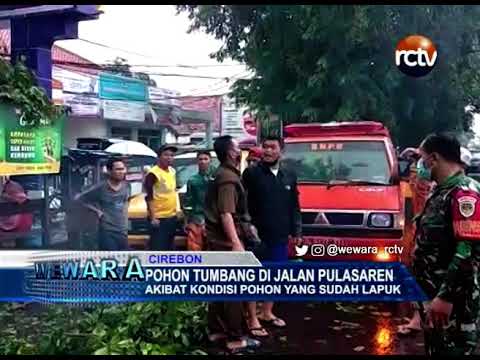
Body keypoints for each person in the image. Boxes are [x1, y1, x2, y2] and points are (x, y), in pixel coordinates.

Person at [412, 134, 480, 355]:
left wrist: (445, 296)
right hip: (433, 297)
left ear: (433, 159)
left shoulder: (464, 193)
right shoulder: (440, 191)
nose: (418, 165)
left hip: (453, 303)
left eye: (421, 159)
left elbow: (466, 251)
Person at [204, 135, 261, 354]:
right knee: (234, 290)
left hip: (218, 241)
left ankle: (216, 330)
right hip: (226, 243)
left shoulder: (222, 174)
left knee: (218, 287)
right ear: (230, 153)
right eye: (237, 147)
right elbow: (226, 213)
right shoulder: (228, 178)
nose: (240, 150)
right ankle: (236, 338)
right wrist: (236, 243)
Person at [242, 136, 302, 337]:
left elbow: (294, 206)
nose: (267, 151)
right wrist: (247, 225)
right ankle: (252, 318)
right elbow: (241, 202)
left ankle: (267, 312)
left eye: (272, 147)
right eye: (265, 147)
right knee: (252, 278)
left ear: (280, 151)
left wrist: (297, 232)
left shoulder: (289, 175)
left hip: (280, 235)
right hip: (256, 237)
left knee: (275, 276)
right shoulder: (251, 174)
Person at [76, 158, 131, 251]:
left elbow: (125, 202)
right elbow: (79, 199)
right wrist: (96, 211)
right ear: (109, 171)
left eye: (122, 169)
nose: (121, 172)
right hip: (107, 231)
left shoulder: (126, 186)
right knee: (111, 260)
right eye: (118, 169)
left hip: (122, 231)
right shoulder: (101, 188)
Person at [144, 145, 179, 250]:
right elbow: (149, 197)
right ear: (159, 157)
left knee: (169, 247)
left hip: (171, 216)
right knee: (158, 248)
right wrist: (153, 217)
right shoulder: (153, 173)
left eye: (172, 155)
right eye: (166, 155)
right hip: (159, 218)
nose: (169, 158)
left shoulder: (172, 171)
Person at [184, 151, 214, 251]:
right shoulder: (192, 180)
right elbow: (188, 202)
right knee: (194, 250)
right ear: (197, 161)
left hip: (214, 220)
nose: (203, 161)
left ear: (210, 161)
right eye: (200, 159)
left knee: (214, 250)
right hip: (196, 219)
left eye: (206, 159)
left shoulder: (216, 178)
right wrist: (186, 221)